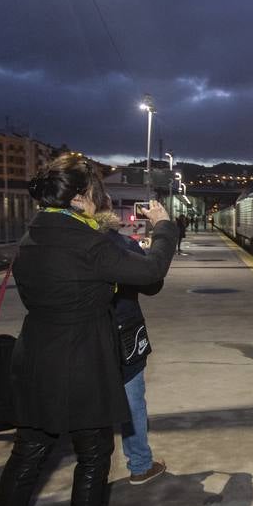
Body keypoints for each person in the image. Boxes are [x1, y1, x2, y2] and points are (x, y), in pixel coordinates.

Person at [0, 154, 177, 506]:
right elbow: (150, 271)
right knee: (94, 456)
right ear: (83, 196)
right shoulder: (84, 240)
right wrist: (164, 227)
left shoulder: (35, 233)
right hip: (81, 360)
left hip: (35, 357)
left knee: (28, 455)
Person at [95, 207, 166, 486]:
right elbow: (152, 282)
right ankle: (139, 465)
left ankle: (91, 469)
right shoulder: (116, 242)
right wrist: (161, 228)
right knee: (132, 400)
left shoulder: (47, 238)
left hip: (74, 336)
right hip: (122, 332)